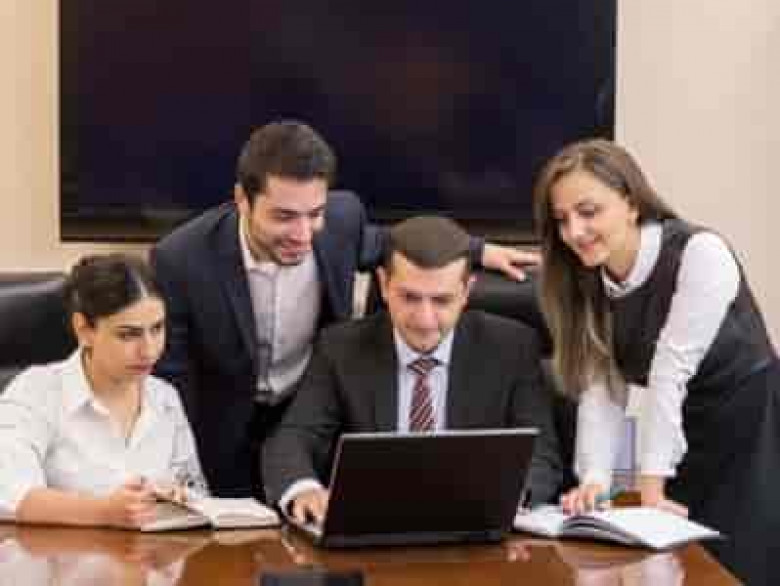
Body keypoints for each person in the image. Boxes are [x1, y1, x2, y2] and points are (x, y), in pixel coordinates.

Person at [151, 120, 539, 498]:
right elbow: (171, 383)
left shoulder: (342, 222)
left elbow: (391, 244)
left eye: (314, 214)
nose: (303, 235)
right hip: (224, 435)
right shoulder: (181, 260)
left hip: (310, 414)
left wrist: (475, 250)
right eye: (284, 217)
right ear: (242, 200)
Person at [532, 138, 780, 585]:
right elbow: (602, 386)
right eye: (562, 219)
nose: (574, 232)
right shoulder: (587, 275)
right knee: (683, 565)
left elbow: (670, 371)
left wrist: (651, 486)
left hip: (750, 421)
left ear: (631, 203)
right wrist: (595, 478)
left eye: (588, 212)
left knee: (740, 563)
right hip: (684, 427)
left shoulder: (700, 253)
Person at [263, 215, 562, 523]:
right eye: (409, 298)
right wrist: (304, 489)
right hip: (372, 526)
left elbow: (541, 455)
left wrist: (509, 496)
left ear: (466, 292)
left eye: (441, 300)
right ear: (384, 285)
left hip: (476, 525)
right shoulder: (341, 348)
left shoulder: (512, 347)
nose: (424, 320)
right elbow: (294, 437)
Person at [0, 254, 207, 529]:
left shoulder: (165, 397)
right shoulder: (36, 392)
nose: (149, 350)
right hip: (58, 555)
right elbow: (9, 494)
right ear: (84, 329)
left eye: (157, 329)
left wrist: (179, 499)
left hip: (153, 553)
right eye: (128, 334)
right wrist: (103, 512)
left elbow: (195, 491)